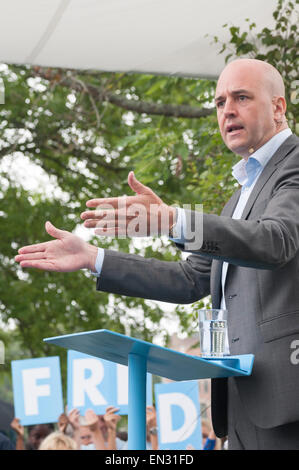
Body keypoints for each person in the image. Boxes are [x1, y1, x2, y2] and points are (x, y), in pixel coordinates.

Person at [15, 58, 299, 450]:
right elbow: (191, 280)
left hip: (288, 403)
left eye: (241, 97)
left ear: (279, 107)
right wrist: (93, 257)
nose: (227, 111)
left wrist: (173, 220)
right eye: (219, 102)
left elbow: (275, 240)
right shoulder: (239, 196)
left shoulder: (295, 166)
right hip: (239, 409)